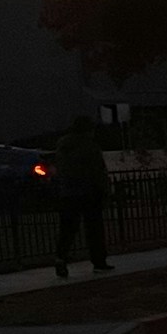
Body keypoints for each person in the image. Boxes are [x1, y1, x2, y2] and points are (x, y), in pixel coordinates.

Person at [53, 116, 113, 278]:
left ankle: (61, 257)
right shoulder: (89, 147)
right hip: (89, 192)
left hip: (68, 192)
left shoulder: (63, 146)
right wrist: (104, 189)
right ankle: (99, 261)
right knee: (94, 228)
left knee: (67, 229)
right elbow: (97, 171)